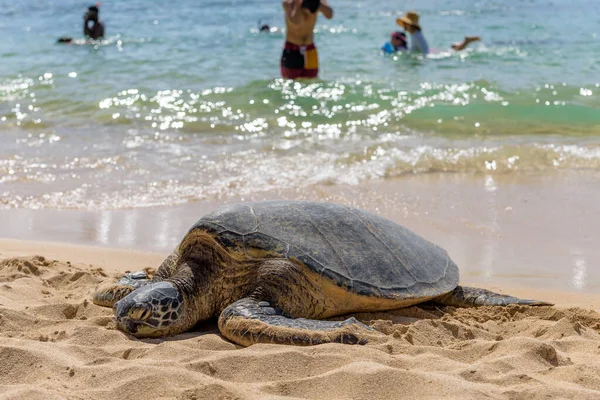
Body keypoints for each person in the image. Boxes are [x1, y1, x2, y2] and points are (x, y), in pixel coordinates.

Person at [281, 0, 333, 80]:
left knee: (312, 81)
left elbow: (330, 15)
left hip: (310, 49)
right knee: (290, 82)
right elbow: (296, 22)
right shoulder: (289, 2)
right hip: (292, 49)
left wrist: (318, 4)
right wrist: (298, 4)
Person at [396, 11, 480, 55]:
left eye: (405, 24)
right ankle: (463, 42)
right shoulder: (414, 34)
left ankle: (466, 41)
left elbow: (425, 51)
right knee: (452, 50)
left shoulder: (417, 35)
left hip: (431, 54)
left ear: (409, 25)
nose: (403, 26)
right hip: (432, 51)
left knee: (454, 53)